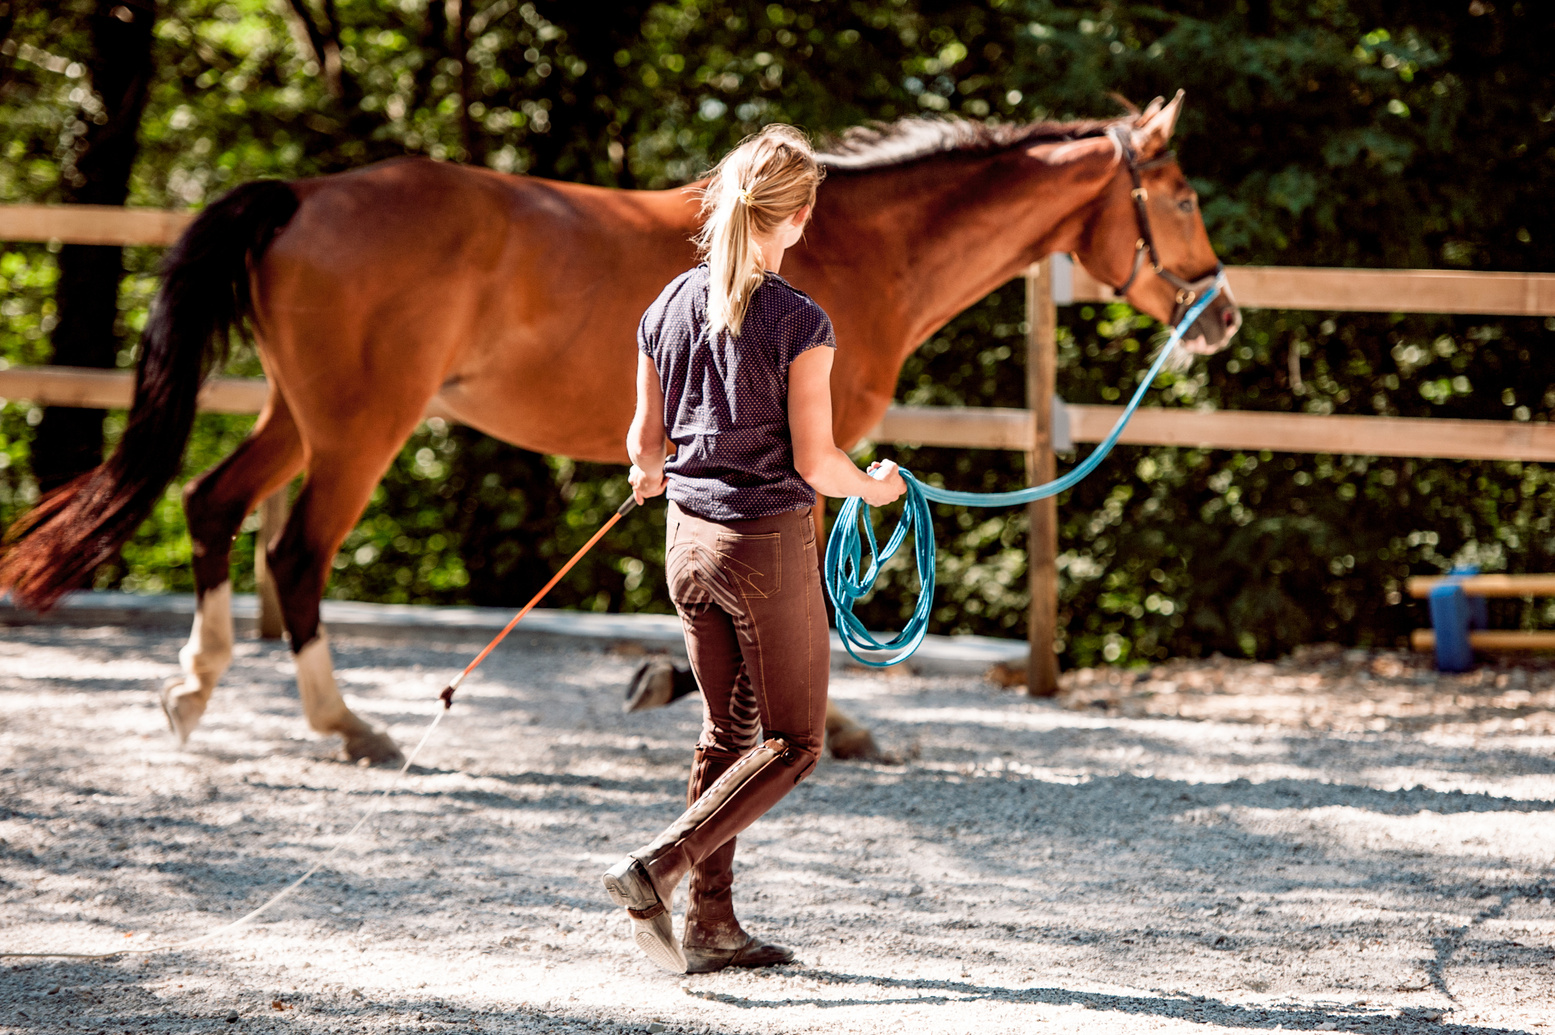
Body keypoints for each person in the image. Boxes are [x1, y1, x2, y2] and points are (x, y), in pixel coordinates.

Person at [602, 124, 907, 974]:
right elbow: (816, 462)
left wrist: (649, 471)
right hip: (763, 546)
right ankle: (657, 867)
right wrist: (876, 487)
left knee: (725, 729)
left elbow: (642, 445)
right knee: (795, 741)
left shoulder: (665, 304)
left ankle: (712, 925)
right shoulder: (799, 320)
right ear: (799, 216)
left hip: (686, 550)